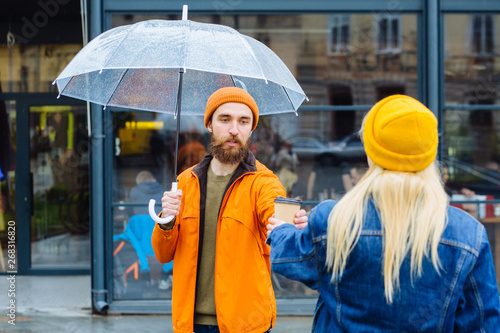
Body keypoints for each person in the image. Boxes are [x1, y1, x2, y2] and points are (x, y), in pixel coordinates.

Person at [267, 95, 500, 332]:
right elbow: (484, 325)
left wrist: (281, 231)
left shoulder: (334, 220)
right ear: (429, 154)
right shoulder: (468, 235)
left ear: (371, 154)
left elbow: (290, 260)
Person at [152, 87, 308, 333]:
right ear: (210, 125)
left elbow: (276, 214)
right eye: (225, 119)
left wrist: (291, 225)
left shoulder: (264, 182)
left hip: (245, 325)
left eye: (243, 121)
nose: (234, 129)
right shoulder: (184, 182)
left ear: (251, 129)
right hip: (190, 323)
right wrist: (167, 220)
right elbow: (162, 254)